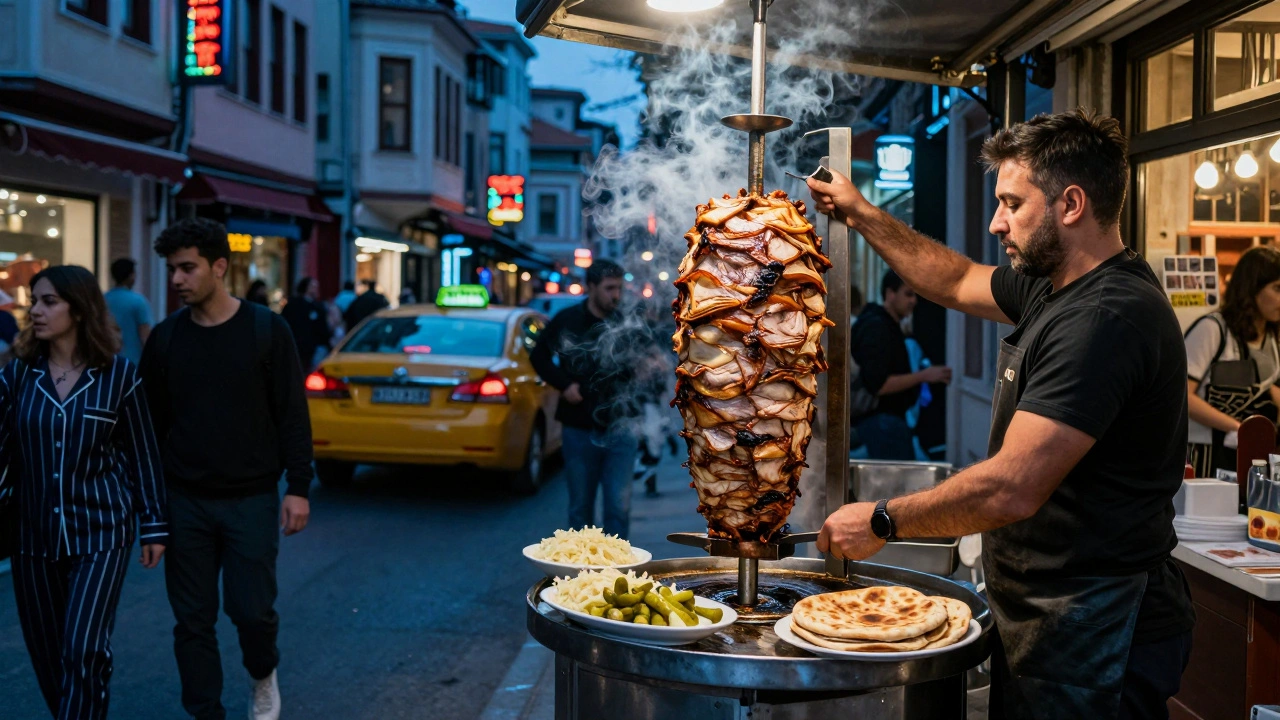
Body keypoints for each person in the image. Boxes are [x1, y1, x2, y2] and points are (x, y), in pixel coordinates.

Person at [808, 110, 1195, 719]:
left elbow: (1012, 487)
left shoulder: (1105, 317)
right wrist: (860, 213)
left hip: (1097, 621)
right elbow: (956, 278)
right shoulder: (1054, 286)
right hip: (1048, 611)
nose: (995, 222)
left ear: (1071, 204)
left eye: (1012, 203)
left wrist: (882, 519)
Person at [142, 218, 314, 720]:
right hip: (185, 500)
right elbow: (150, 428)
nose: (177, 279)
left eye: (188, 268)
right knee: (191, 620)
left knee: (252, 612)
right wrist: (151, 511)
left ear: (220, 267)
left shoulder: (266, 329)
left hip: (251, 498)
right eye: (172, 269)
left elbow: (292, 413)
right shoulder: (167, 339)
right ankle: (206, 711)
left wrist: (297, 487)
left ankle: (263, 675)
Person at [0, 265, 167, 719]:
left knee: (84, 648)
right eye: (34, 300)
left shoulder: (120, 377)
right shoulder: (17, 378)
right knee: (49, 655)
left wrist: (153, 524)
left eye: (48, 301)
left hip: (101, 533)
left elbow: (143, 454)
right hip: (32, 537)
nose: (35, 310)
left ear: (79, 308)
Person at [529, 261, 640, 538]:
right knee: (580, 510)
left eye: (619, 288)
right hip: (579, 427)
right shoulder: (567, 320)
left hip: (622, 426)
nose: (616, 295)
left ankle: (617, 575)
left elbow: (641, 359)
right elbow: (538, 357)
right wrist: (564, 385)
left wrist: (649, 366)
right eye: (609, 288)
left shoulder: (626, 320)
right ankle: (582, 576)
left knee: (618, 507)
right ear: (591, 288)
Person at [1185, 246, 1280, 477]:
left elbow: (1268, 388)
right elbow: (1182, 395)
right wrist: (1237, 427)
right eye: (1277, 288)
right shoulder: (1213, 329)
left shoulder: (1272, 336)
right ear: (1251, 288)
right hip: (1207, 455)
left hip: (1254, 455)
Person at [850, 270, 952, 460]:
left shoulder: (885, 324)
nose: (914, 301)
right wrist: (924, 375)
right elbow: (879, 385)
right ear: (890, 294)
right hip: (882, 423)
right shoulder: (877, 327)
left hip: (886, 422)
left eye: (915, 295)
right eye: (908, 294)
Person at [104, 257, 154, 365]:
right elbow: (146, 336)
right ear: (131, 275)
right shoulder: (138, 301)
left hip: (107, 363)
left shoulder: (102, 300)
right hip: (133, 365)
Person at [280, 277, 331, 373]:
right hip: (297, 346)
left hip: (313, 348)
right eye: (313, 286)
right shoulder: (293, 305)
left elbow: (322, 327)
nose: (315, 289)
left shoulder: (317, 306)